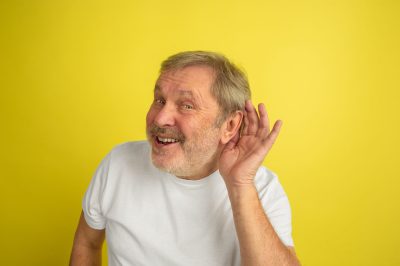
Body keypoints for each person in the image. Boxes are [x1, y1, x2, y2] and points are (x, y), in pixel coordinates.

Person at [69, 51, 300, 266]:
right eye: (159, 100)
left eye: (186, 105)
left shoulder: (262, 188)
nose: (160, 119)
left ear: (229, 125)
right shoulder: (118, 163)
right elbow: (87, 243)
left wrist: (240, 185)